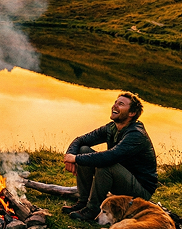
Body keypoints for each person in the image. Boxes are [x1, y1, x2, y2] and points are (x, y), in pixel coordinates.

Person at [62, 92, 158, 222]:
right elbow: (81, 140)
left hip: (140, 190)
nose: (115, 106)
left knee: (106, 165)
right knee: (83, 150)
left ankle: (92, 209)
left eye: (121, 104)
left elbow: (111, 156)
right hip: (121, 179)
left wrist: (76, 159)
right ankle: (83, 203)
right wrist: (71, 156)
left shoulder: (136, 134)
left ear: (132, 113)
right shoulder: (112, 128)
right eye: (115, 102)